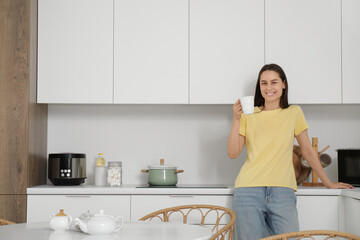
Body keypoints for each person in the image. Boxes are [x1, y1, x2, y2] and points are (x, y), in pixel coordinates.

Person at [227, 63, 353, 240]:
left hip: (282, 190)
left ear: (283, 84)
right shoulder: (248, 115)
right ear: (259, 86)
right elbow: (233, 152)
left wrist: (329, 183)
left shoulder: (294, 112)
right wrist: (236, 119)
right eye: (264, 83)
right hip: (248, 190)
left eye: (274, 82)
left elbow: (308, 151)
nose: (269, 88)